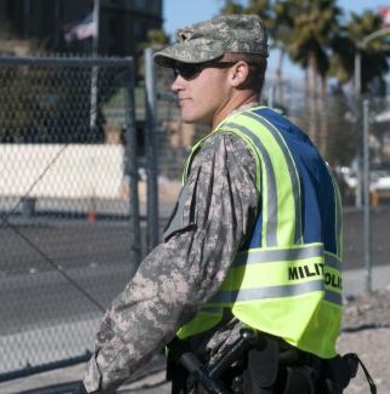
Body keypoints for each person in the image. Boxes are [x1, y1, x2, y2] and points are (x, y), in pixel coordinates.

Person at [77, 14, 362, 394]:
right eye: (177, 70)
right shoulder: (300, 147)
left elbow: (182, 277)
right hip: (305, 371)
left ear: (238, 73)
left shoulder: (230, 147)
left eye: (191, 69)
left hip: (237, 371)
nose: (177, 83)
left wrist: (99, 375)